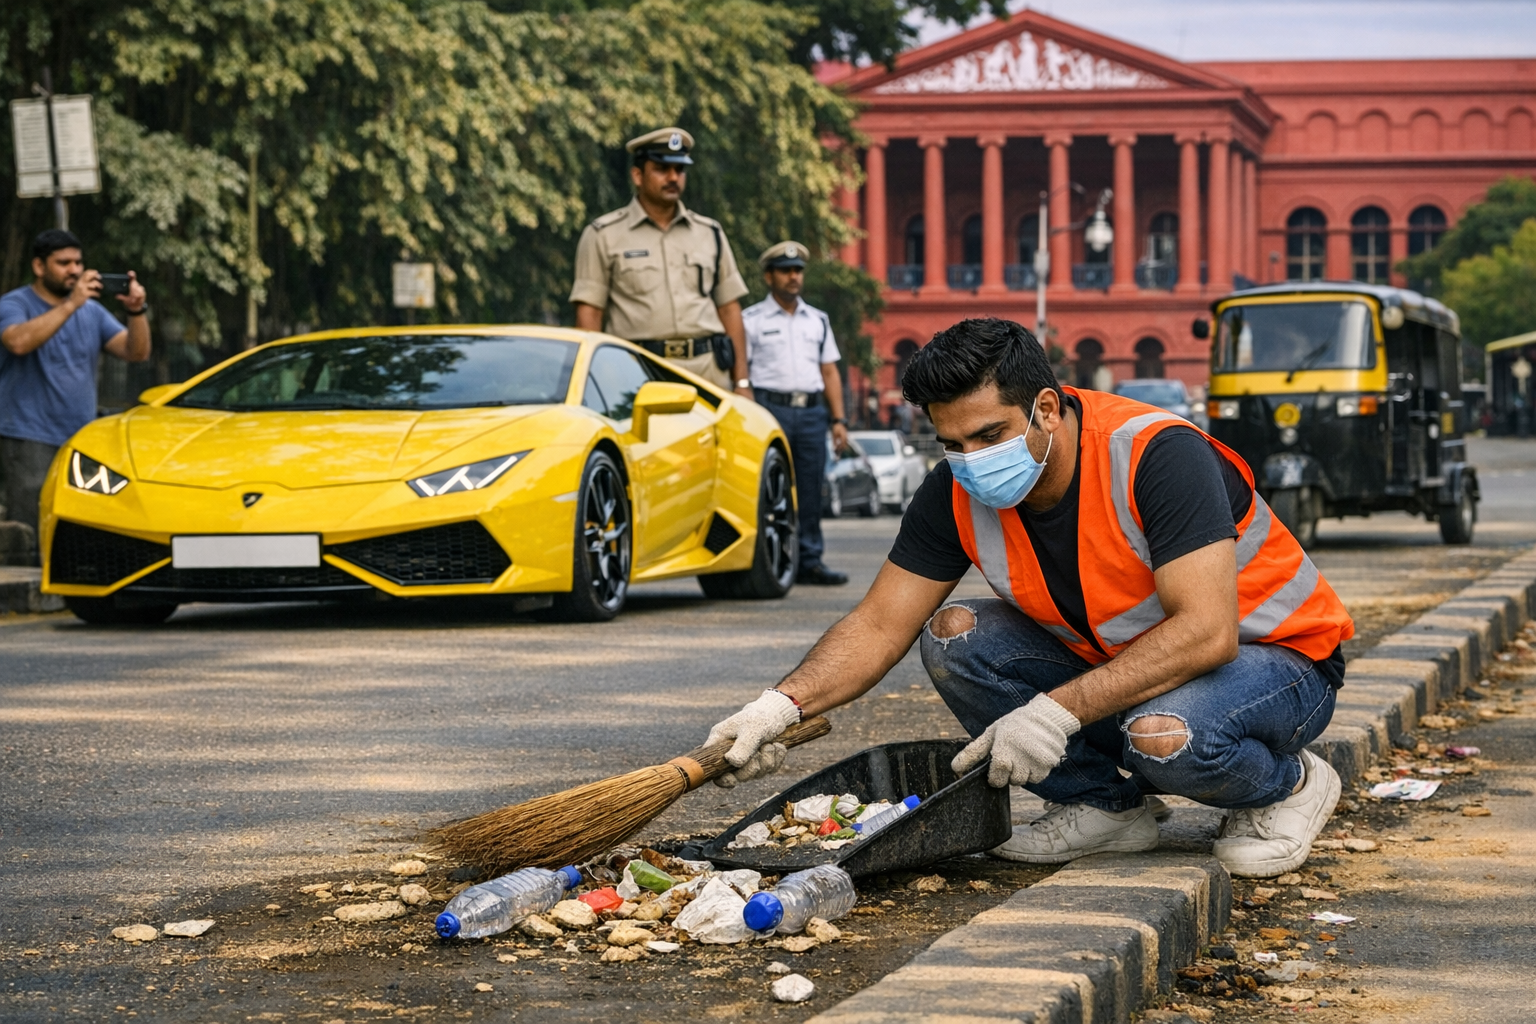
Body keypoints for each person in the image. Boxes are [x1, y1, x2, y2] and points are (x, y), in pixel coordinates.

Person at [702, 317, 1354, 879]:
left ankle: (1288, 785)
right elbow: (879, 623)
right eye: (951, 444)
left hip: (1278, 664)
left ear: (1046, 407)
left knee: (1167, 738)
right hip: (1134, 669)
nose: (971, 460)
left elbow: (1208, 632)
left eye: (989, 436)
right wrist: (779, 707)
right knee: (954, 634)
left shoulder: (1155, 454)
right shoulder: (957, 490)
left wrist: (1053, 712)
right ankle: (1106, 809)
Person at [570, 127, 749, 395]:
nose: (673, 177)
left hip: (707, 372)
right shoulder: (603, 235)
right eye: (662, 169)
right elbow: (590, 313)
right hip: (637, 372)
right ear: (637, 175)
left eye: (680, 169)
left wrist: (742, 382)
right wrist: (596, 385)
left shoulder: (709, 232)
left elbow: (729, 308)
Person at [0, 230, 150, 534]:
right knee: (32, 528)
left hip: (81, 439)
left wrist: (136, 311)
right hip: (29, 437)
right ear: (39, 267)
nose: (74, 270)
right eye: (63, 262)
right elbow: (17, 342)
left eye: (78, 262)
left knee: (82, 527)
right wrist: (71, 305)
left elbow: (136, 351)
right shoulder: (14, 303)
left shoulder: (92, 312)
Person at [743, 241, 849, 587]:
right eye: (786, 271)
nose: (793, 277)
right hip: (767, 409)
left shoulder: (817, 320)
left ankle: (809, 560)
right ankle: (766, 561)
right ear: (768, 276)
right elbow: (739, 371)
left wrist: (838, 420)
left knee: (809, 488)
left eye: (798, 271)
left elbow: (830, 371)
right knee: (766, 489)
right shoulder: (750, 321)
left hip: (810, 413)